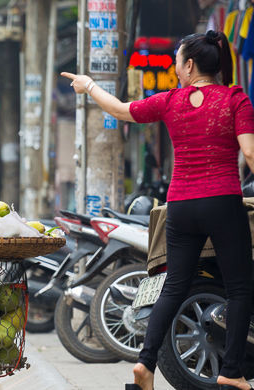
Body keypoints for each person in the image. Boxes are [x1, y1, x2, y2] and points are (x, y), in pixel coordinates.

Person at [63, 30, 254, 390]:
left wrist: (89, 86)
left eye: (176, 61)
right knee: (240, 288)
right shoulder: (235, 100)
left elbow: (121, 110)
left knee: (173, 287)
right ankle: (231, 370)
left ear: (190, 65)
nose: (174, 67)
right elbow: (250, 154)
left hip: (180, 205)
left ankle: (145, 365)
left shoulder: (171, 101)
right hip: (222, 202)